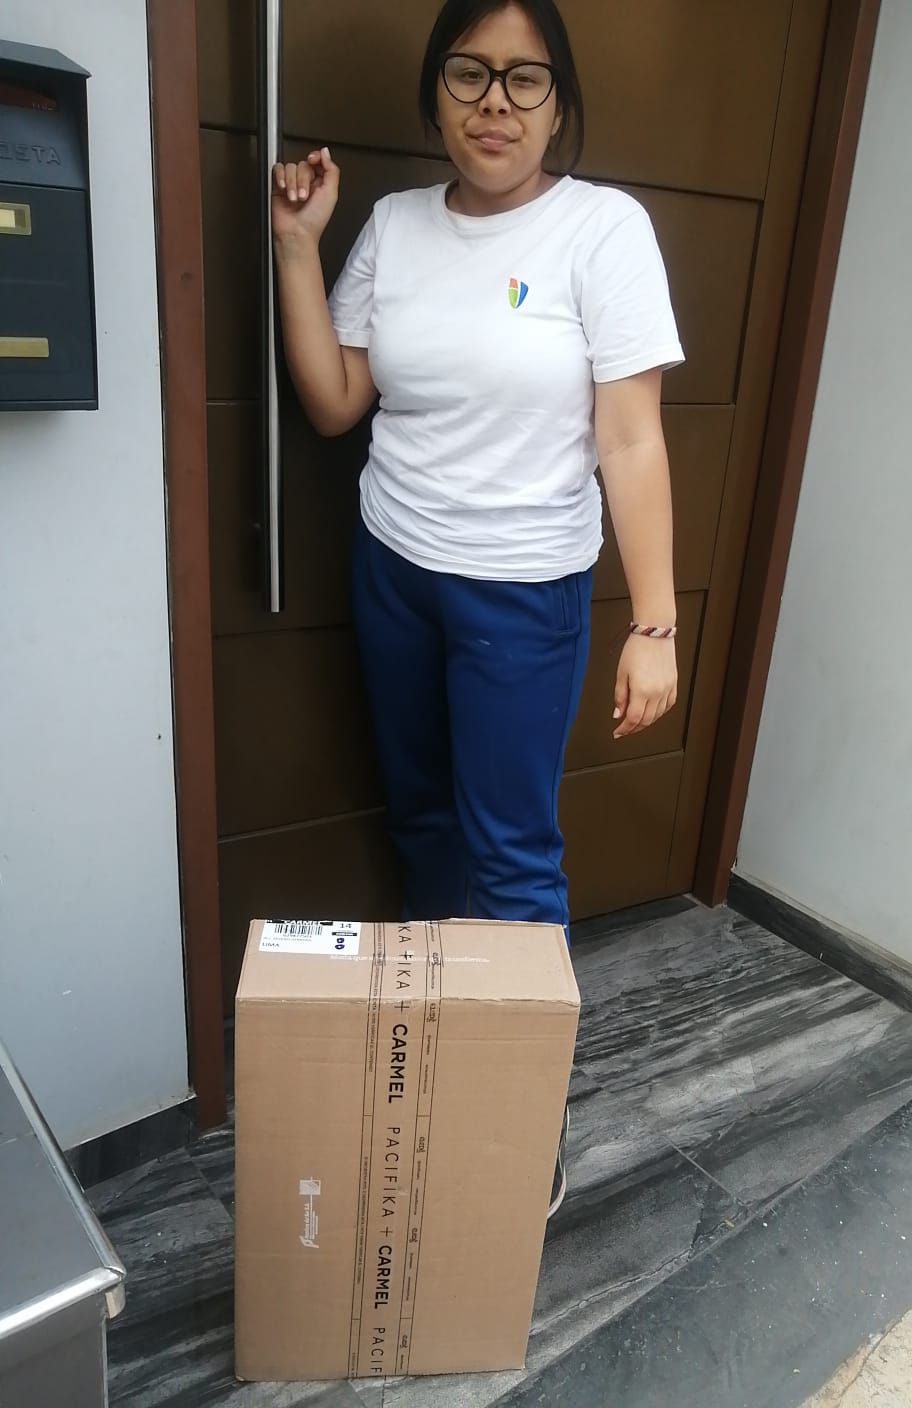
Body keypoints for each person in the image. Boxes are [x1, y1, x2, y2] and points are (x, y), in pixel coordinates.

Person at [271, 0, 684, 1212]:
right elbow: (338, 401)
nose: (494, 102)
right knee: (420, 826)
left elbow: (630, 437)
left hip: (524, 594)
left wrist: (654, 623)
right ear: (436, 94)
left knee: (508, 857)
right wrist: (297, 247)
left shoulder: (602, 230)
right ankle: (434, 1056)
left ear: (559, 103)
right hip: (395, 569)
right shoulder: (396, 228)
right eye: (469, 74)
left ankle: (517, 1120)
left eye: (523, 79)